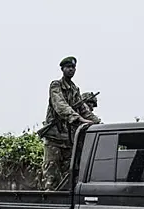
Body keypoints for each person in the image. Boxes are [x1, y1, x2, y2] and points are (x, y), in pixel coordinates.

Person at [40, 56, 100, 191]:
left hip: (68, 139)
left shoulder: (75, 89)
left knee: (69, 175)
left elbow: (84, 110)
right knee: (51, 175)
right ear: (62, 69)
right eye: (68, 67)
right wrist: (78, 118)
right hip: (54, 138)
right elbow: (60, 105)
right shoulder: (56, 85)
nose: (71, 70)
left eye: (73, 68)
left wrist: (98, 124)